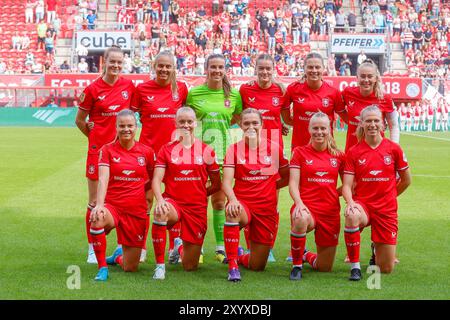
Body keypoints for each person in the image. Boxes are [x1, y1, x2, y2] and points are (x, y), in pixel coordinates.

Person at [75, 46, 136, 264]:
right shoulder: (92, 89)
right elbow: (80, 120)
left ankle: (120, 246)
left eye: (120, 62)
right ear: (105, 62)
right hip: (98, 153)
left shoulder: (128, 86)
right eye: (112, 62)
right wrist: (94, 139)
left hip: (122, 154)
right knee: (93, 201)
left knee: (120, 201)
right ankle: (92, 247)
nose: (116, 66)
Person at [151, 107, 221, 279]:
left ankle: (179, 246)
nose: (186, 125)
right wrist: (160, 200)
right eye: (182, 121)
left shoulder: (207, 150)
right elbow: (156, 180)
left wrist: (200, 194)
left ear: (195, 123)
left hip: (196, 207)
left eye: (189, 121)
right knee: (161, 212)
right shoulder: (166, 149)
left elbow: (217, 183)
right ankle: (160, 266)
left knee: (190, 266)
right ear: (175, 123)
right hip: (173, 202)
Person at [342, 105, 411, 281]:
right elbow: (347, 186)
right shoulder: (354, 152)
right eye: (368, 121)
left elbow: (406, 180)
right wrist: (351, 203)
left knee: (386, 268)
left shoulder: (394, 149)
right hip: (363, 206)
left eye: (376, 120)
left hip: (386, 209)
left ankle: (375, 249)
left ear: (382, 124)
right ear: (362, 124)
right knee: (351, 216)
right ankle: (355, 267)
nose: (372, 124)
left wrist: (390, 196)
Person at [131, 50, 188, 261]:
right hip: (148, 153)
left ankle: (175, 246)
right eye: (160, 66)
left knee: (174, 199)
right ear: (154, 67)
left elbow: (187, 120)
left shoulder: (181, 89)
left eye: (168, 66)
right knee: (146, 200)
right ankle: (142, 247)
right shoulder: (142, 89)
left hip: (175, 154)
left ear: (174, 68)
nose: (164, 69)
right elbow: (129, 116)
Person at [186, 53, 243, 263]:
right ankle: (197, 248)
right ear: (206, 69)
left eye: (220, 67)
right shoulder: (194, 94)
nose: (217, 71)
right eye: (213, 67)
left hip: (223, 156)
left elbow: (240, 118)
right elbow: (185, 121)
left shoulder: (234, 96)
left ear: (225, 69)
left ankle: (220, 249)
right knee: (197, 204)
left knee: (219, 203)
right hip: (198, 158)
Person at [222, 108, 289, 281]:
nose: (251, 127)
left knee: (257, 266)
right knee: (232, 212)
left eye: (255, 123)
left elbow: (287, 177)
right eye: (246, 123)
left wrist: (268, 186)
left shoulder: (274, 148)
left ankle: (239, 255)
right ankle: (233, 268)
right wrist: (233, 200)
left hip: (266, 208)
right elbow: (226, 183)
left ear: (262, 124)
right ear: (240, 126)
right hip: (243, 203)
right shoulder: (233, 149)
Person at [89, 109, 155, 281]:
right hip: (113, 208)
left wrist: (149, 198)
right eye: (122, 126)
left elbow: (152, 179)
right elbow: (103, 178)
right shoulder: (107, 150)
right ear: (116, 127)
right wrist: (100, 205)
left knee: (130, 267)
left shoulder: (146, 152)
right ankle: (102, 267)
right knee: (97, 218)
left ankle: (118, 256)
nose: (126, 129)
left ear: (136, 127)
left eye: (130, 126)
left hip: (136, 211)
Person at [238, 53, 291, 261]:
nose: (265, 72)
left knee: (271, 202)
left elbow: (283, 117)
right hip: (250, 150)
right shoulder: (245, 89)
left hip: (273, 149)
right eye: (261, 69)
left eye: (268, 69)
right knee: (248, 198)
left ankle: (267, 246)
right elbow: (240, 115)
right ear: (256, 69)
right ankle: (251, 245)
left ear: (274, 69)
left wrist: (283, 127)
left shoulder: (281, 90)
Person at [288, 111, 345, 280]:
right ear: (309, 129)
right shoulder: (299, 152)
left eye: (323, 128)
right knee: (300, 219)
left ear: (330, 129)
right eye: (315, 128)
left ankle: (306, 256)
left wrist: (334, 193)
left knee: (324, 268)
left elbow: (350, 184)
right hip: (307, 208)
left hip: (330, 212)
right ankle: (297, 265)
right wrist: (299, 203)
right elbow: (293, 183)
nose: (319, 132)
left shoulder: (339, 155)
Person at [284, 52, 346, 151]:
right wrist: (302, 123)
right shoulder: (293, 89)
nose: (314, 70)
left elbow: (347, 119)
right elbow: (286, 119)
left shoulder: (333, 92)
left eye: (317, 67)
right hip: (300, 149)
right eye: (310, 67)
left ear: (323, 68)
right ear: (304, 68)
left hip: (325, 150)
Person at [341, 60, 400, 152]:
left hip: (377, 152)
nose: (366, 80)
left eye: (370, 76)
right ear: (357, 77)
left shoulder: (385, 98)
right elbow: (337, 108)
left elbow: (394, 126)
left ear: (375, 78)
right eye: (363, 76)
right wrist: (350, 121)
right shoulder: (348, 93)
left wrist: (394, 149)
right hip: (352, 152)